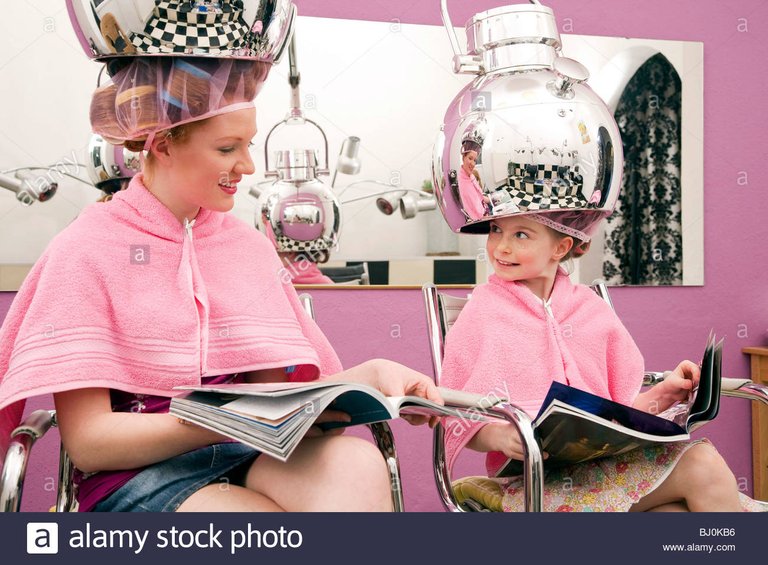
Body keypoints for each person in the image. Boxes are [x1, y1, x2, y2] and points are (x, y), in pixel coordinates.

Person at [0, 56, 440, 512]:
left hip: (248, 455)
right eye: (228, 149)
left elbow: (280, 400)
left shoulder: (247, 248)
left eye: (248, 145)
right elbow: (91, 443)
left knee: (357, 465)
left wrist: (370, 378)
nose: (247, 166)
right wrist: (223, 418)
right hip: (136, 477)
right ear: (163, 143)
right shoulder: (86, 248)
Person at [440, 209, 760, 512]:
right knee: (703, 465)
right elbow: (456, 411)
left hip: (604, 469)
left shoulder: (589, 309)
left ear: (560, 247)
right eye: (496, 230)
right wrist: (499, 436)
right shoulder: (483, 312)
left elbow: (614, 415)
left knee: (676, 512)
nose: (502, 246)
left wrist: (665, 394)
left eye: (521, 234)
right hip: (532, 483)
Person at [457, 142, 490, 220]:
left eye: (475, 160)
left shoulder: (471, 175)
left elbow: (479, 196)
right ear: (463, 158)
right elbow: (472, 210)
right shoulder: (460, 182)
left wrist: (492, 199)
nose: (473, 164)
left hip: (486, 209)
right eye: (470, 158)